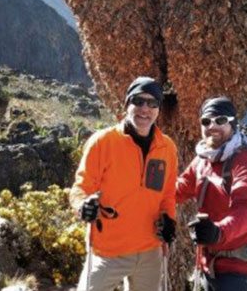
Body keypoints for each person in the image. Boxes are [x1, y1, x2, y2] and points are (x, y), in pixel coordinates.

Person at [70, 76, 178, 291]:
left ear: (158, 109)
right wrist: (82, 206)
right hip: (108, 249)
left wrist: (169, 221)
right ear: (127, 104)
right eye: (138, 101)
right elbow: (81, 187)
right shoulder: (103, 142)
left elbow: (167, 194)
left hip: (150, 251)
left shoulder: (167, 148)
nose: (144, 109)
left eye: (152, 103)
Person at [176, 96, 247, 291]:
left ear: (233, 124)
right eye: (206, 121)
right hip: (207, 265)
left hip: (239, 269)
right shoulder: (203, 160)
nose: (212, 126)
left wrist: (219, 232)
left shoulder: (245, 160)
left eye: (220, 120)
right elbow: (179, 188)